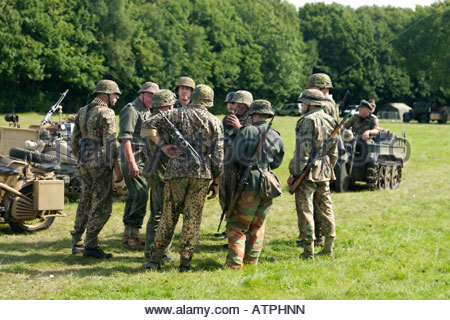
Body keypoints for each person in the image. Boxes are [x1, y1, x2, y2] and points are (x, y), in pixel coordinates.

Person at [142, 84, 224, 272]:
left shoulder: (177, 114)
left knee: (168, 215)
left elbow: (146, 127)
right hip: (201, 174)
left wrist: (163, 147)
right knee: (192, 219)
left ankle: (154, 259)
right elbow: (218, 156)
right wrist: (217, 181)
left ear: (193, 97)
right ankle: (185, 263)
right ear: (209, 101)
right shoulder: (214, 121)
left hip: (175, 171)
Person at [226, 100, 285, 269]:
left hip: (248, 182)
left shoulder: (246, 131)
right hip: (268, 184)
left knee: (238, 225)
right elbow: (278, 161)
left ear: (254, 115)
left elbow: (235, 157)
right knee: (258, 225)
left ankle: (234, 264)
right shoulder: (275, 134)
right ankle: (251, 262)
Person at [70, 79, 123, 259]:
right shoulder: (107, 113)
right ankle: (91, 245)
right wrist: (117, 168)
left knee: (84, 200)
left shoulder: (82, 111)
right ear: (105, 94)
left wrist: (80, 158)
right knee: (101, 205)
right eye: (115, 94)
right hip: (100, 164)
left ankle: (77, 241)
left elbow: (74, 140)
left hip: (83, 162)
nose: (116, 98)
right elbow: (110, 143)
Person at [287, 89, 338, 260]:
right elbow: (334, 152)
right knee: (326, 208)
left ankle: (308, 251)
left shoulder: (307, 121)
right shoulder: (331, 120)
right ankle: (329, 247)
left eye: (303, 103)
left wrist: (295, 174)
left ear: (309, 104)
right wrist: (328, 167)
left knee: (305, 210)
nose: (301, 106)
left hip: (307, 173)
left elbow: (303, 152)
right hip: (324, 170)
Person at [119, 82, 160, 250]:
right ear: (141, 94)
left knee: (134, 196)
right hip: (134, 159)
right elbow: (125, 139)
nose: (152, 99)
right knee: (142, 196)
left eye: (155, 97)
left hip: (142, 159)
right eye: (150, 96)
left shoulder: (147, 111)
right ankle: (134, 236)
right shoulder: (131, 110)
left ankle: (128, 235)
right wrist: (131, 163)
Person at [143, 89, 177, 266]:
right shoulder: (153, 121)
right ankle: (152, 253)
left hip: (158, 169)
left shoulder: (159, 119)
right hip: (158, 171)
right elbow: (148, 131)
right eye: (170, 105)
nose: (173, 108)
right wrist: (164, 147)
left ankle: (160, 252)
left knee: (162, 212)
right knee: (159, 214)